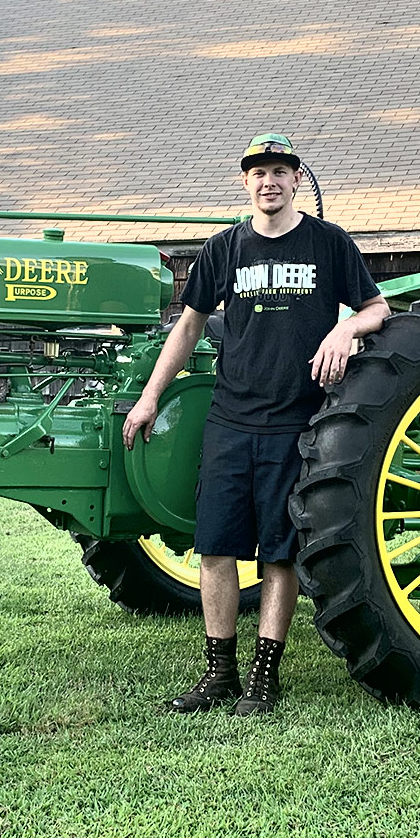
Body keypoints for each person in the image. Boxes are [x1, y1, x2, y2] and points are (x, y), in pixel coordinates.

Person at [122, 133, 390, 715]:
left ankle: (265, 678)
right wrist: (148, 399)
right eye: (257, 173)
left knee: (278, 552)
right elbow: (188, 328)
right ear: (244, 182)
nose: (268, 182)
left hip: (297, 422)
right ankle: (219, 674)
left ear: (297, 179)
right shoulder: (223, 250)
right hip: (230, 419)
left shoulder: (328, 244)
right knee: (215, 549)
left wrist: (346, 328)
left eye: (279, 172)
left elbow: (378, 308)